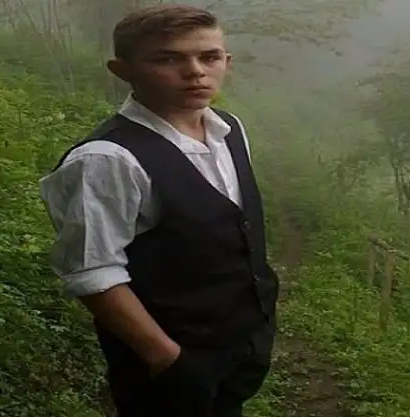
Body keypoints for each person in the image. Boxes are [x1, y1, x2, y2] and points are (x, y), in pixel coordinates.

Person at [38, 4, 280, 417]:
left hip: (241, 349)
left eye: (209, 57)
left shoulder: (229, 129)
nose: (195, 72)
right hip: (170, 366)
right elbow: (93, 271)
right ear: (122, 70)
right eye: (167, 59)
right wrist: (165, 356)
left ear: (226, 61)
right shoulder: (108, 159)